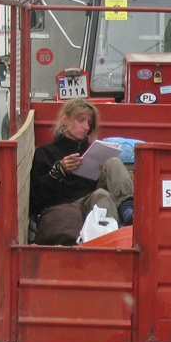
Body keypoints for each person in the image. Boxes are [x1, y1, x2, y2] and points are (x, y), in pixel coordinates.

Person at [30, 98, 134, 239]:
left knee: (113, 162)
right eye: (81, 120)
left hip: (91, 198)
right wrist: (57, 172)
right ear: (65, 120)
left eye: (89, 123)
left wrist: (101, 171)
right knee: (102, 195)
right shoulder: (46, 153)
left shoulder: (92, 149)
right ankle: (113, 239)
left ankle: (129, 211)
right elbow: (35, 200)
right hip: (67, 205)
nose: (86, 127)